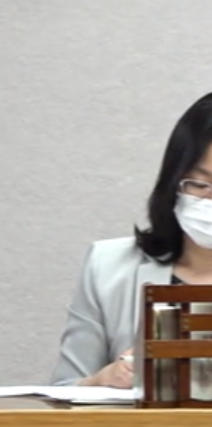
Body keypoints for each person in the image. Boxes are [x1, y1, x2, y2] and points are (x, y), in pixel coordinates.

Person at [51, 92, 212, 387]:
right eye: (201, 184)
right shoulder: (107, 266)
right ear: (174, 181)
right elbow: (62, 391)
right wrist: (102, 381)